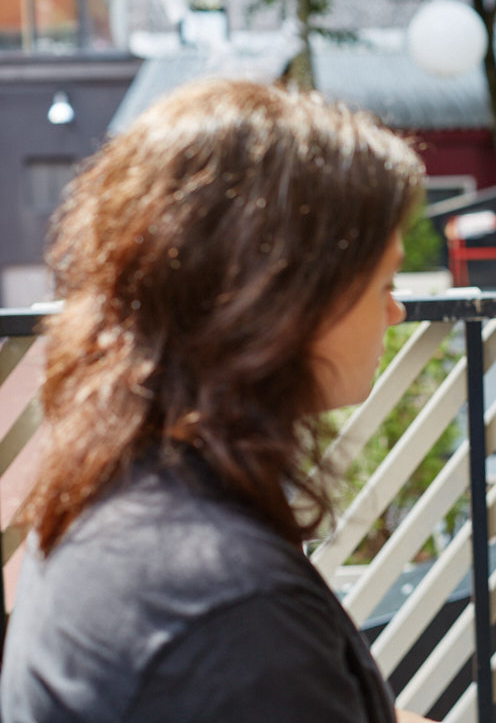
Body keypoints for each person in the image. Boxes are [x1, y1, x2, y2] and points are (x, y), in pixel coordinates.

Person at [1, 79, 428, 721]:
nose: (395, 310)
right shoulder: (232, 613)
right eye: (384, 281)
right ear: (283, 305)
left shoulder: (119, 487)